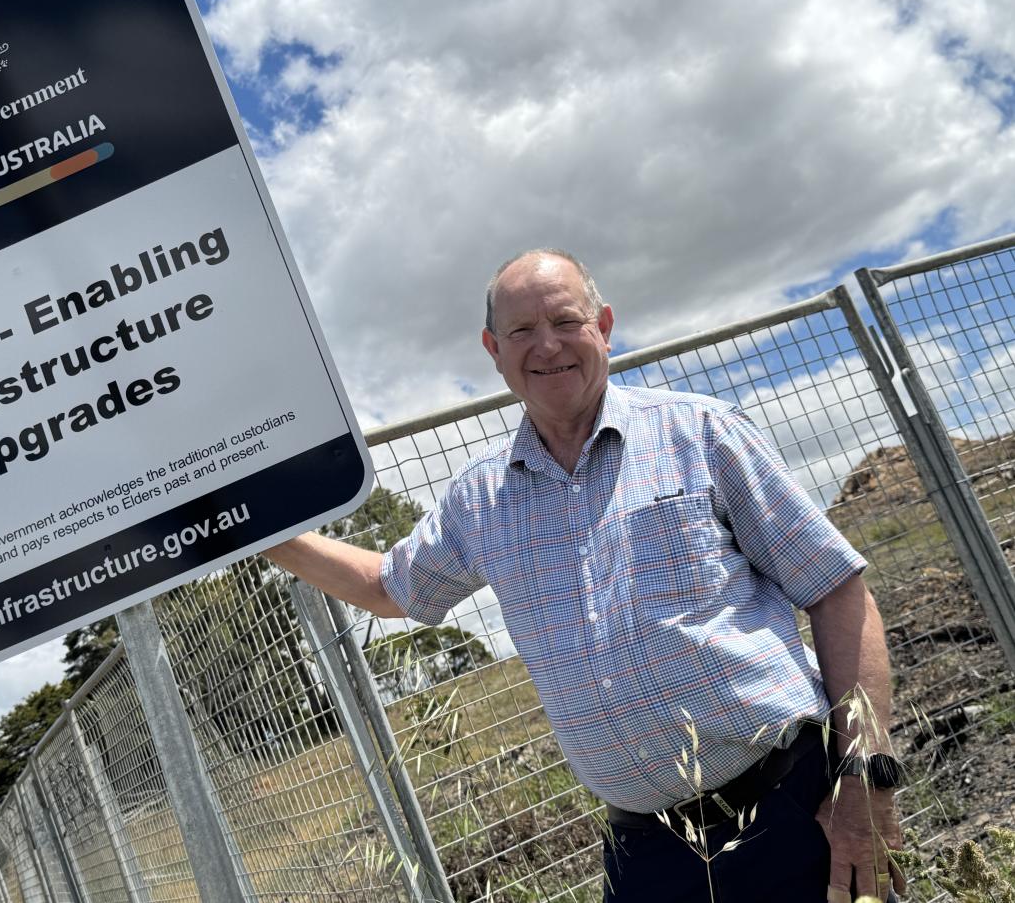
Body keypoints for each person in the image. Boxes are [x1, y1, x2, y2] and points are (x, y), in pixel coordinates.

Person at [264, 249, 905, 902]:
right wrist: (263, 532)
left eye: (566, 320)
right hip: (646, 857)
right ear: (494, 348)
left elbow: (835, 591)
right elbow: (384, 587)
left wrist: (864, 783)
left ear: (603, 324)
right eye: (521, 330)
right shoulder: (481, 501)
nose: (547, 345)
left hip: (795, 812)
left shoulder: (701, 433)